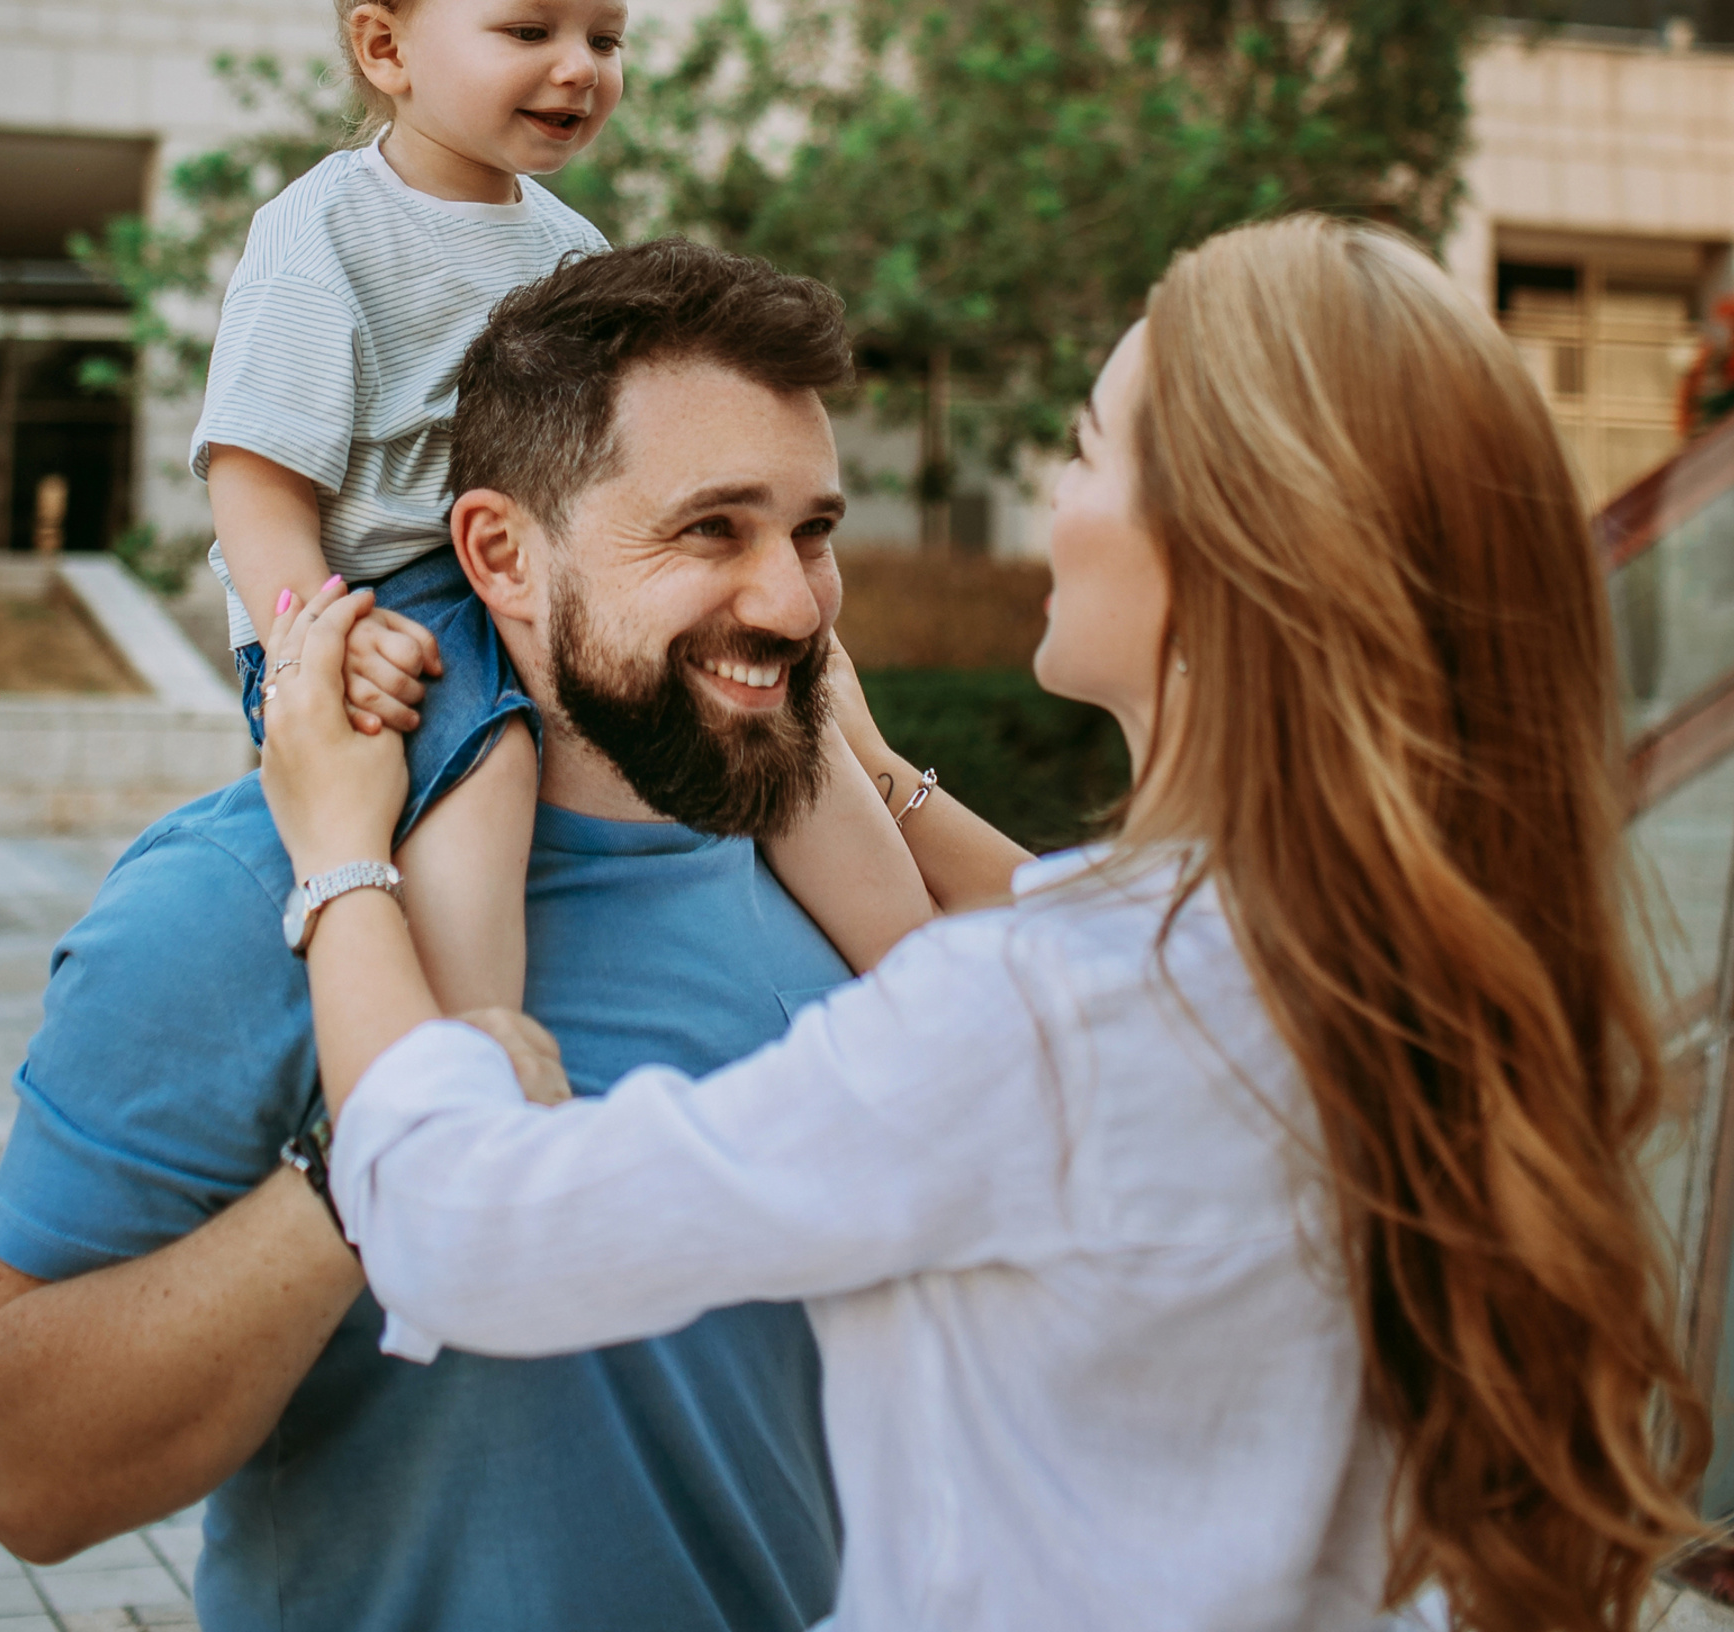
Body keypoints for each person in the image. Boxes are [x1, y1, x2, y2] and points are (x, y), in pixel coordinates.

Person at [261, 215, 1709, 1632]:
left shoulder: (1043, 1019)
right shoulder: (1390, 962)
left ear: (1222, 554)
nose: (1050, 492)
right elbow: (1091, 949)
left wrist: (337, 853)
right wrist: (873, 771)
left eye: (1083, 447)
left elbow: (458, 1230)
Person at [0, 240, 1023, 1632]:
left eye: (813, 531)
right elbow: (25, 1475)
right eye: (712, 530)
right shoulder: (230, 899)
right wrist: (376, 1166)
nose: (796, 601)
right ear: (499, 553)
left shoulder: (816, 863)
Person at [195, 0, 933, 1009]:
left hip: (547, 575)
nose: (579, 68)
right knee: (482, 769)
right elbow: (254, 478)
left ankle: (925, 982)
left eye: (605, 37)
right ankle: (480, 1057)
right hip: (381, 600)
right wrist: (317, 633)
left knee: (785, 724)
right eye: (529, 32)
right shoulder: (326, 226)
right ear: (386, 48)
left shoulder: (570, 247)